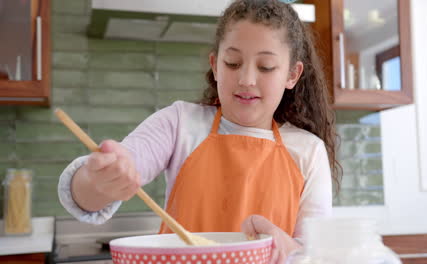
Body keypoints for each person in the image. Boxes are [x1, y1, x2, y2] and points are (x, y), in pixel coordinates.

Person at [57, 0, 341, 263]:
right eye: (232, 63)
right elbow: (100, 184)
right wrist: (98, 181)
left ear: (292, 75)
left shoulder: (308, 151)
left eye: (266, 67)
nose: (246, 79)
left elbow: (316, 254)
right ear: (215, 66)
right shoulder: (180, 123)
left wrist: (284, 247)